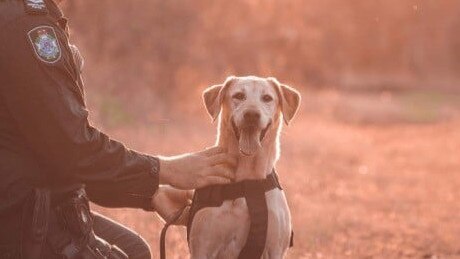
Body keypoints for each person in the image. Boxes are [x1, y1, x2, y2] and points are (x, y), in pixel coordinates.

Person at [0, 0, 236, 258]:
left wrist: (150, 192)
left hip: (33, 204)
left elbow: (60, 155)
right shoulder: (27, 27)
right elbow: (74, 151)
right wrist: (165, 169)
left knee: (133, 247)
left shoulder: (26, 17)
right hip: (21, 222)